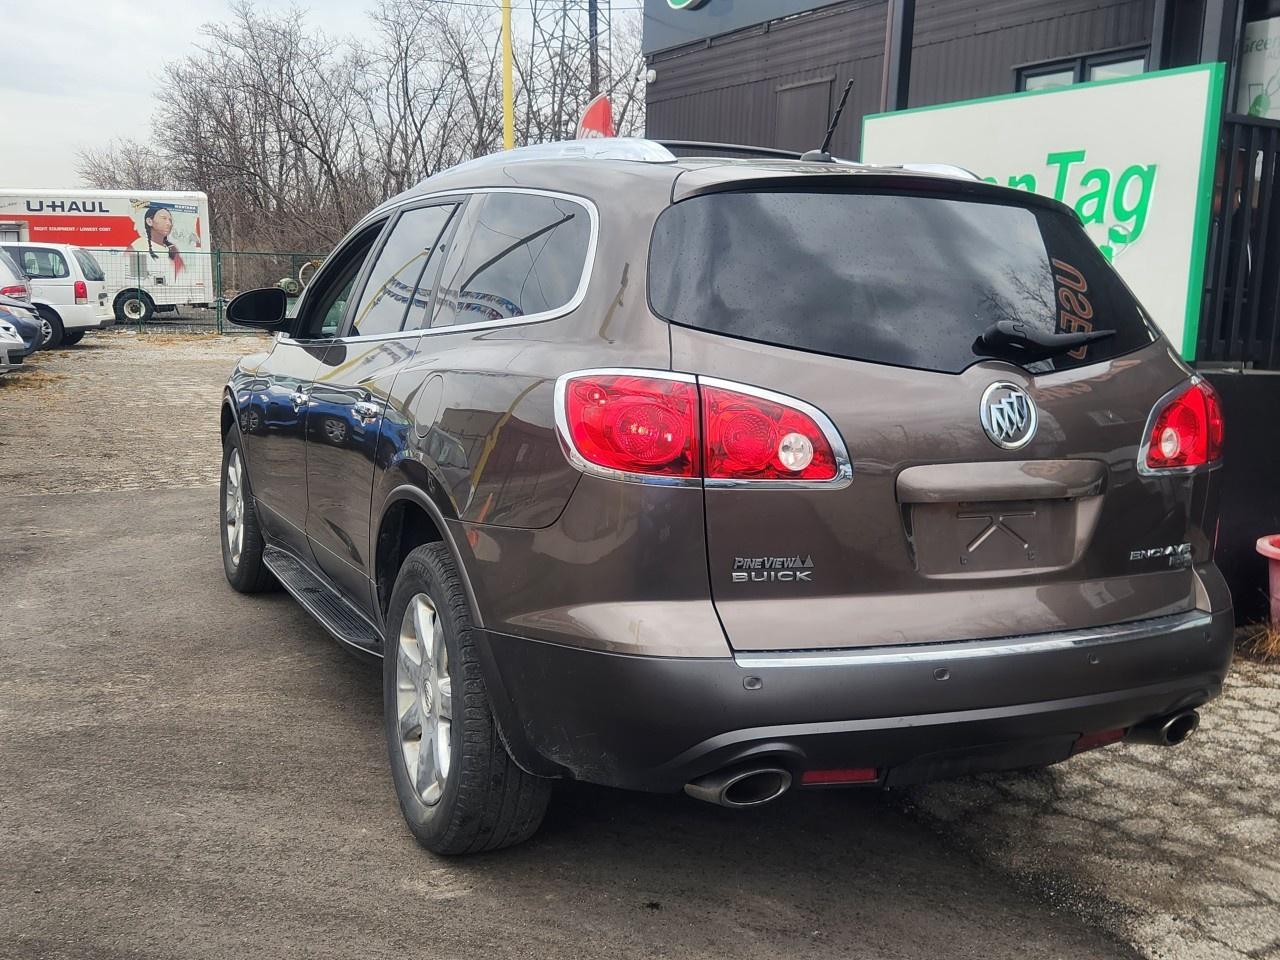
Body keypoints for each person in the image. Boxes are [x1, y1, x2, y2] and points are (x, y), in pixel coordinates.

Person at [143, 203, 185, 278]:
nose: (169, 224)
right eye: (163, 218)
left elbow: (182, 274)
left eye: (170, 220)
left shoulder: (172, 248)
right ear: (149, 221)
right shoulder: (138, 246)